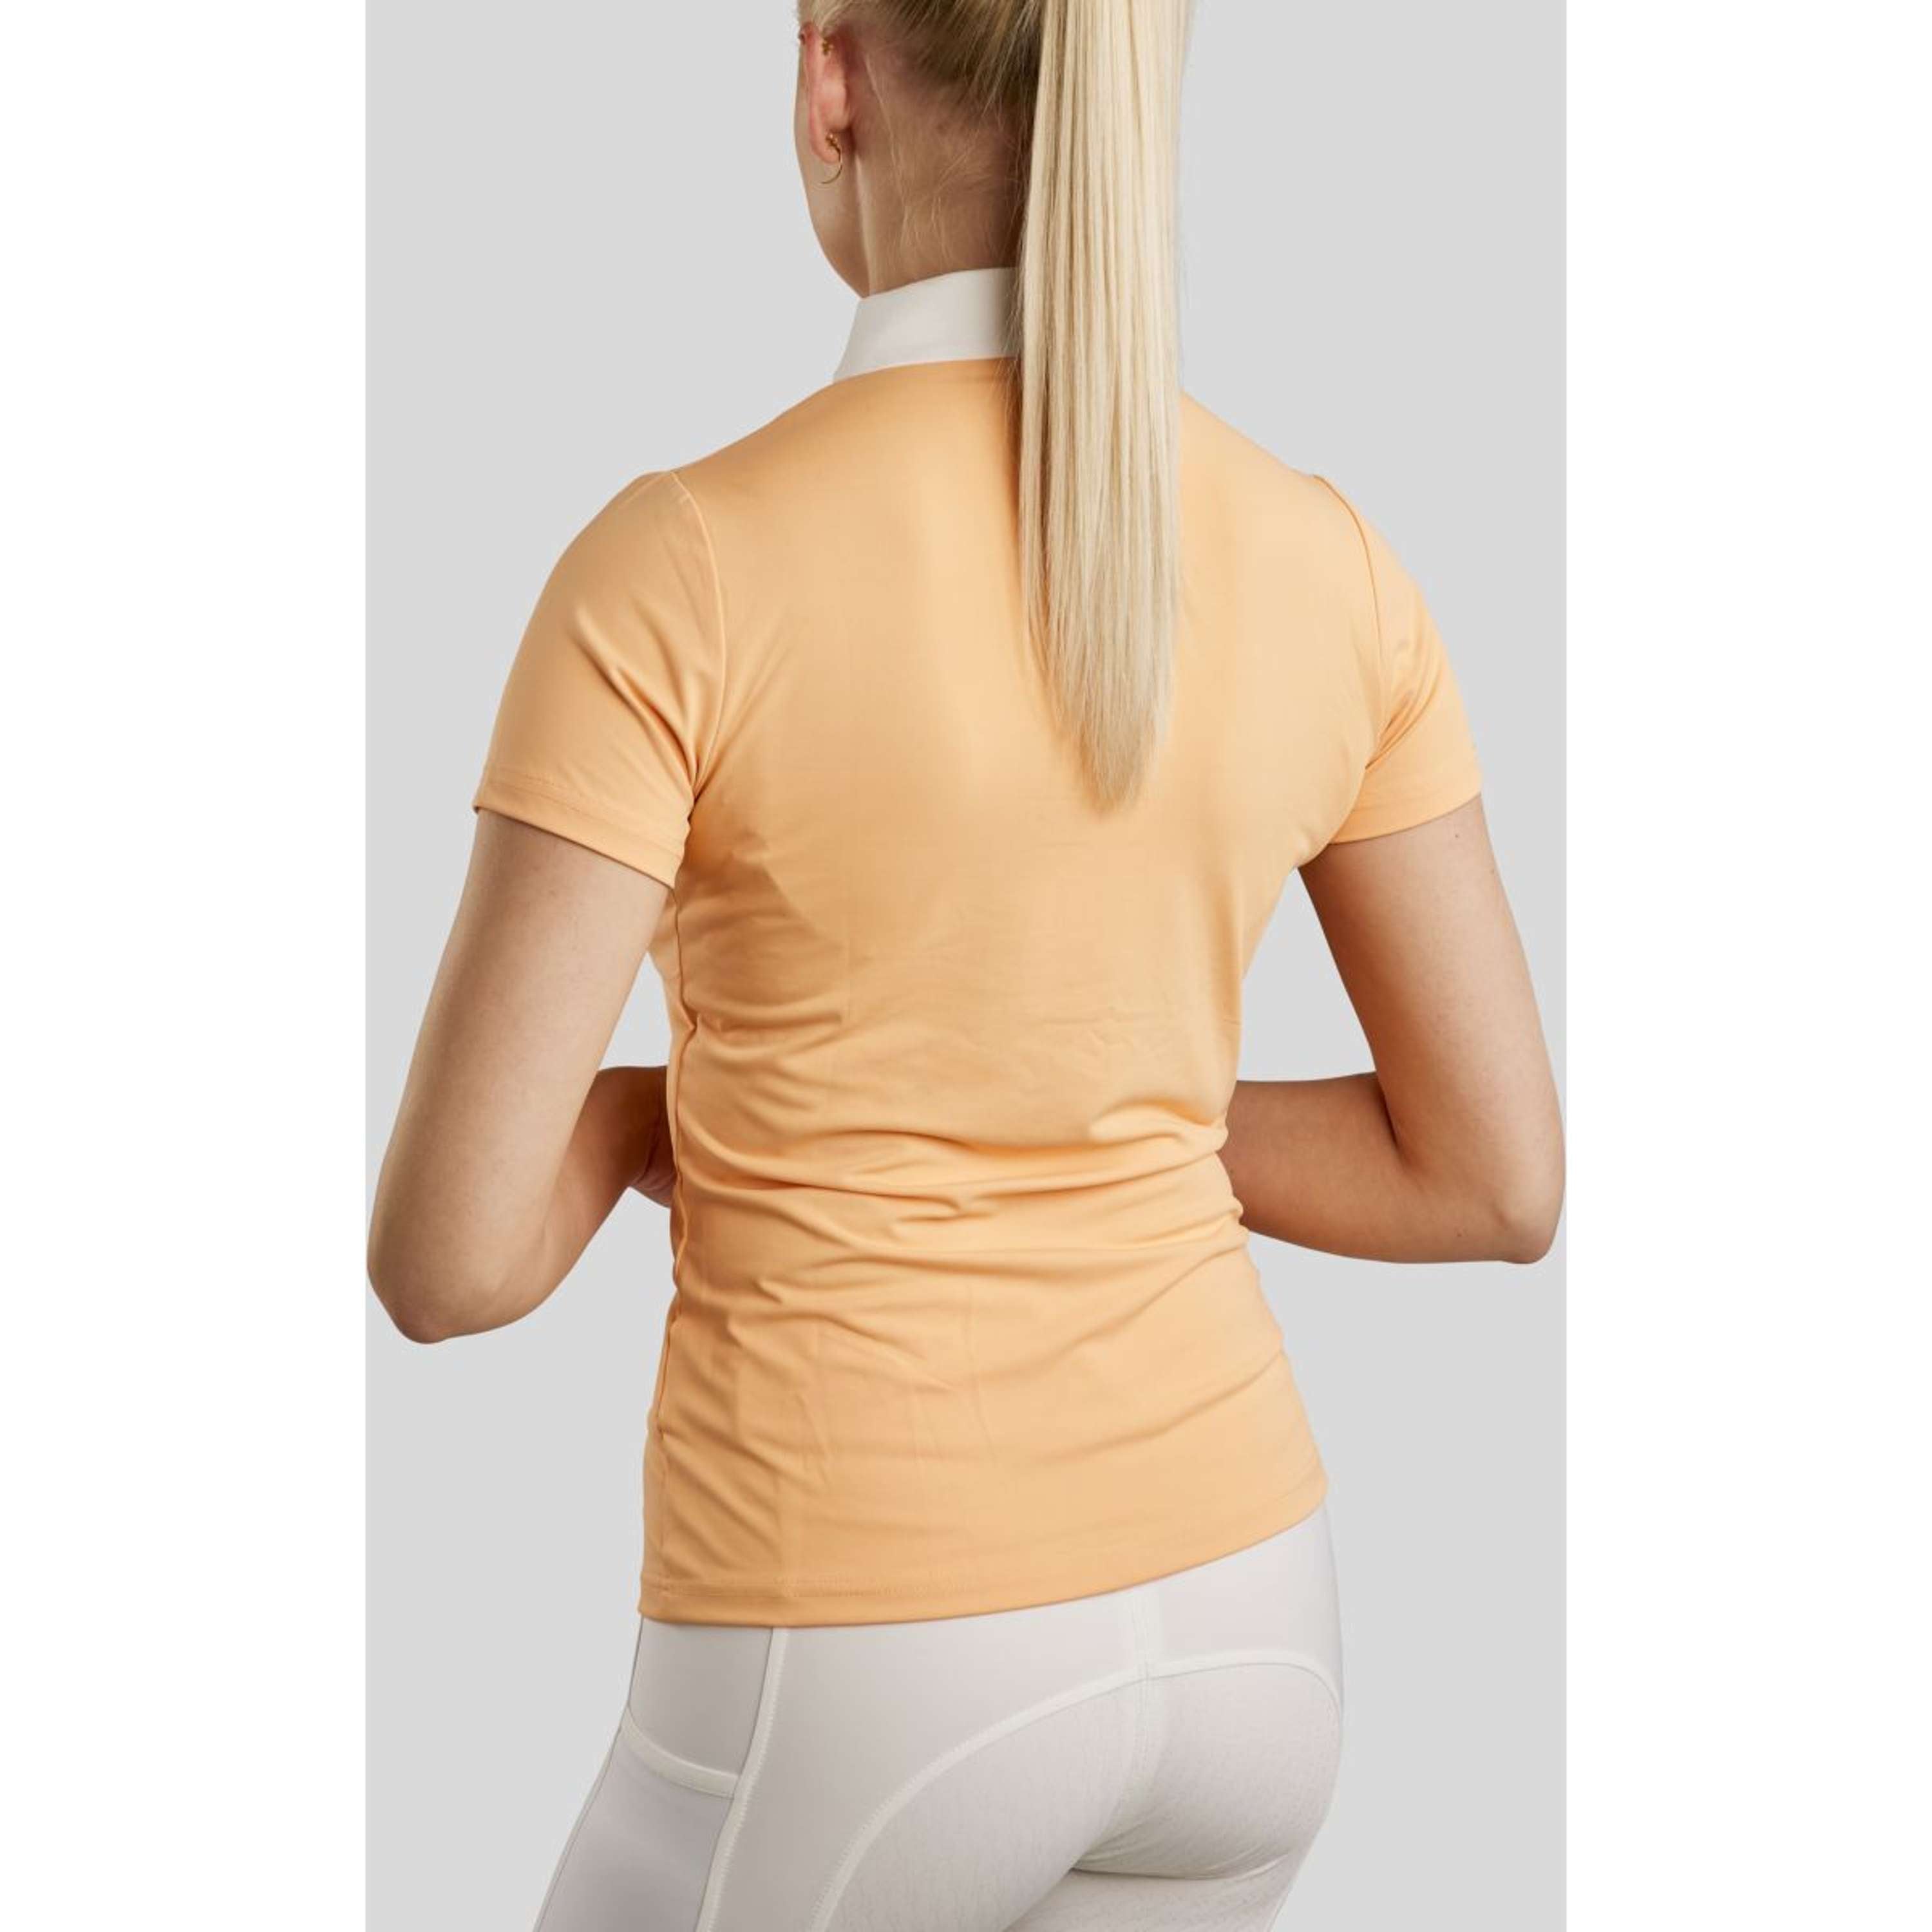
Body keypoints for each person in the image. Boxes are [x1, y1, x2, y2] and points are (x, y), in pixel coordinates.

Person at [368, 2, 1563, 1926]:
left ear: (832, 74)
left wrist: (664, 1117)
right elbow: (1492, 1179)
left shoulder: (683, 567)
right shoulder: (1329, 560)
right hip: (1252, 1628)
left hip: (860, 1642)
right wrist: (1092, 1110)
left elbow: (449, 1258)